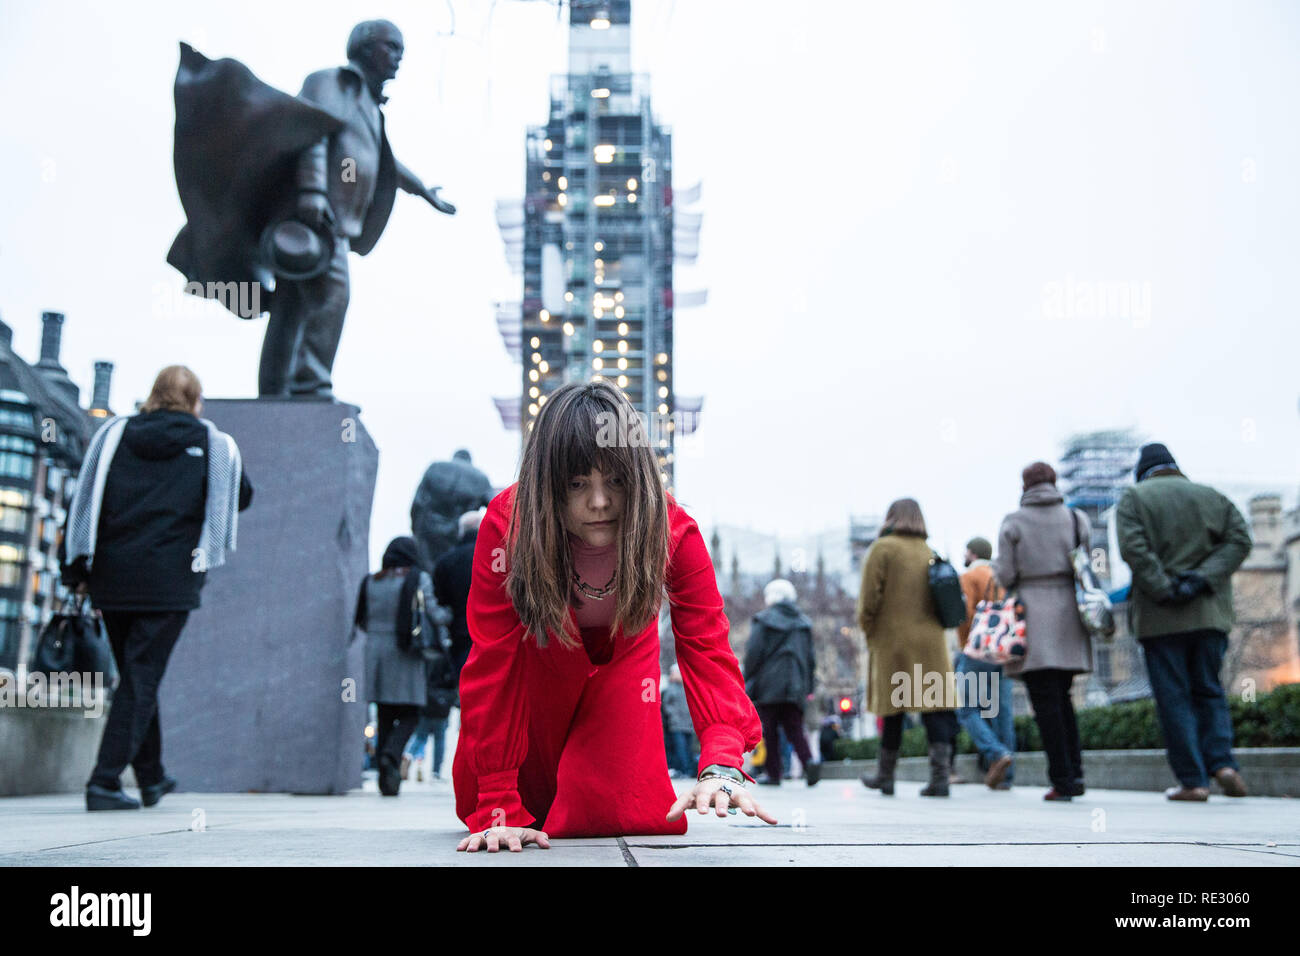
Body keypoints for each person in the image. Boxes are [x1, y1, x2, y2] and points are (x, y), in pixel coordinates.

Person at [453, 381, 773, 853]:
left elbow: (706, 645)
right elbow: (492, 662)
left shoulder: (673, 530)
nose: (599, 502)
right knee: (529, 808)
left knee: (615, 809)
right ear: (548, 483)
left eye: (616, 481)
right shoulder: (506, 526)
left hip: (626, 663)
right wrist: (498, 800)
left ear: (638, 476)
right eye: (577, 483)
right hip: (536, 665)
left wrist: (722, 758)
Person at [61, 366, 253, 811]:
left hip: (111, 576)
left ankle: (151, 777)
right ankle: (104, 781)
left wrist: (75, 569)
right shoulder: (212, 444)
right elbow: (241, 495)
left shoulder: (114, 437)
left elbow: (86, 498)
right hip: (170, 580)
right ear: (195, 401)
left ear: (153, 395)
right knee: (142, 676)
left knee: (136, 674)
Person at [257, 20, 455, 397]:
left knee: (291, 307)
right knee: (332, 296)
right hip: (316, 216)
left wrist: (423, 191)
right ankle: (310, 386)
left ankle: (275, 392)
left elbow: (384, 162)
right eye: (391, 47)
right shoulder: (333, 83)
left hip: (330, 221)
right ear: (365, 46)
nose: (398, 58)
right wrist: (313, 190)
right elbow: (311, 131)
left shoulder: (367, 103)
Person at [1116, 443, 1252, 801]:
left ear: (1142, 472)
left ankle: (1193, 781)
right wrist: (1202, 579)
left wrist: (1164, 588)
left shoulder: (1134, 499)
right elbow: (1240, 540)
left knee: (1174, 698)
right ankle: (1223, 764)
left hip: (1161, 619)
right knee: (1209, 689)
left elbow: (1134, 549)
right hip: (1208, 613)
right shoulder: (1212, 497)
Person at [993, 462, 1091, 802]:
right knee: (1063, 699)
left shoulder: (1014, 522)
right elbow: (1086, 566)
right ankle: (1075, 774)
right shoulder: (1077, 519)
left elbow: (1004, 575)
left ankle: (1061, 780)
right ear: (1053, 482)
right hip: (1068, 614)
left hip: (1030, 617)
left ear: (1025, 486)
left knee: (1044, 703)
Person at [857, 498, 957, 797]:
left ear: (891, 517)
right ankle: (940, 778)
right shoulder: (930, 551)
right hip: (931, 642)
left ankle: (885, 776)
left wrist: (868, 628)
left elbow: (869, 598)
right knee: (934, 708)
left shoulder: (883, 549)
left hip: (894, 640)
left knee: (893, 708)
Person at [357, 536, 443, 796]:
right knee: (412, 712)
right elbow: (432, 612)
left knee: (384, 713)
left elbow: (361, 619)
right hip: (405, 652)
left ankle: (387, 780)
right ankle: (392, 755)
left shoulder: (371, 581)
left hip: (374, 651)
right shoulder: (418, 579)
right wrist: (449, 616)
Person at [743, 579, 822, 787]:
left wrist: (747, 678)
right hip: (795, 684)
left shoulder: (763, 620)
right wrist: (808, 686)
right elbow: (810, 658)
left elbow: (754, 653)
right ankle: (809, 762)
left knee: (769, 730)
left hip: (768, 684)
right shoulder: (803, 623)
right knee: (794, 727)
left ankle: (774, 774)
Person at [955, 536, 1016, 789]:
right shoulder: (1002, 575)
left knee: (965, 707)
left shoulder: (969, 577)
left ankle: (996, 753)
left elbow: (964, 614)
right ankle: (1007, 776)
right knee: (1002, 711)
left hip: (977, 649)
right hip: (1003, 650)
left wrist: (965, 643)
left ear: (971, 554)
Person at [433, 509, 483, 676]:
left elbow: (440, 600)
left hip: (460, 634)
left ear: (461, 531)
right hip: (492, 632)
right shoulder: (497, 556)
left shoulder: (445, 562)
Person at [661, 664, 696, 778]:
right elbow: (666, 705)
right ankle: (682, 770)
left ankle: (688, 770)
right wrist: (673, 716)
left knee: (688, 749)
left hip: (689, 724)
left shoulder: (688, 686)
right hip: (676, 725)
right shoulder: (670, 688)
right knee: (679, 748)